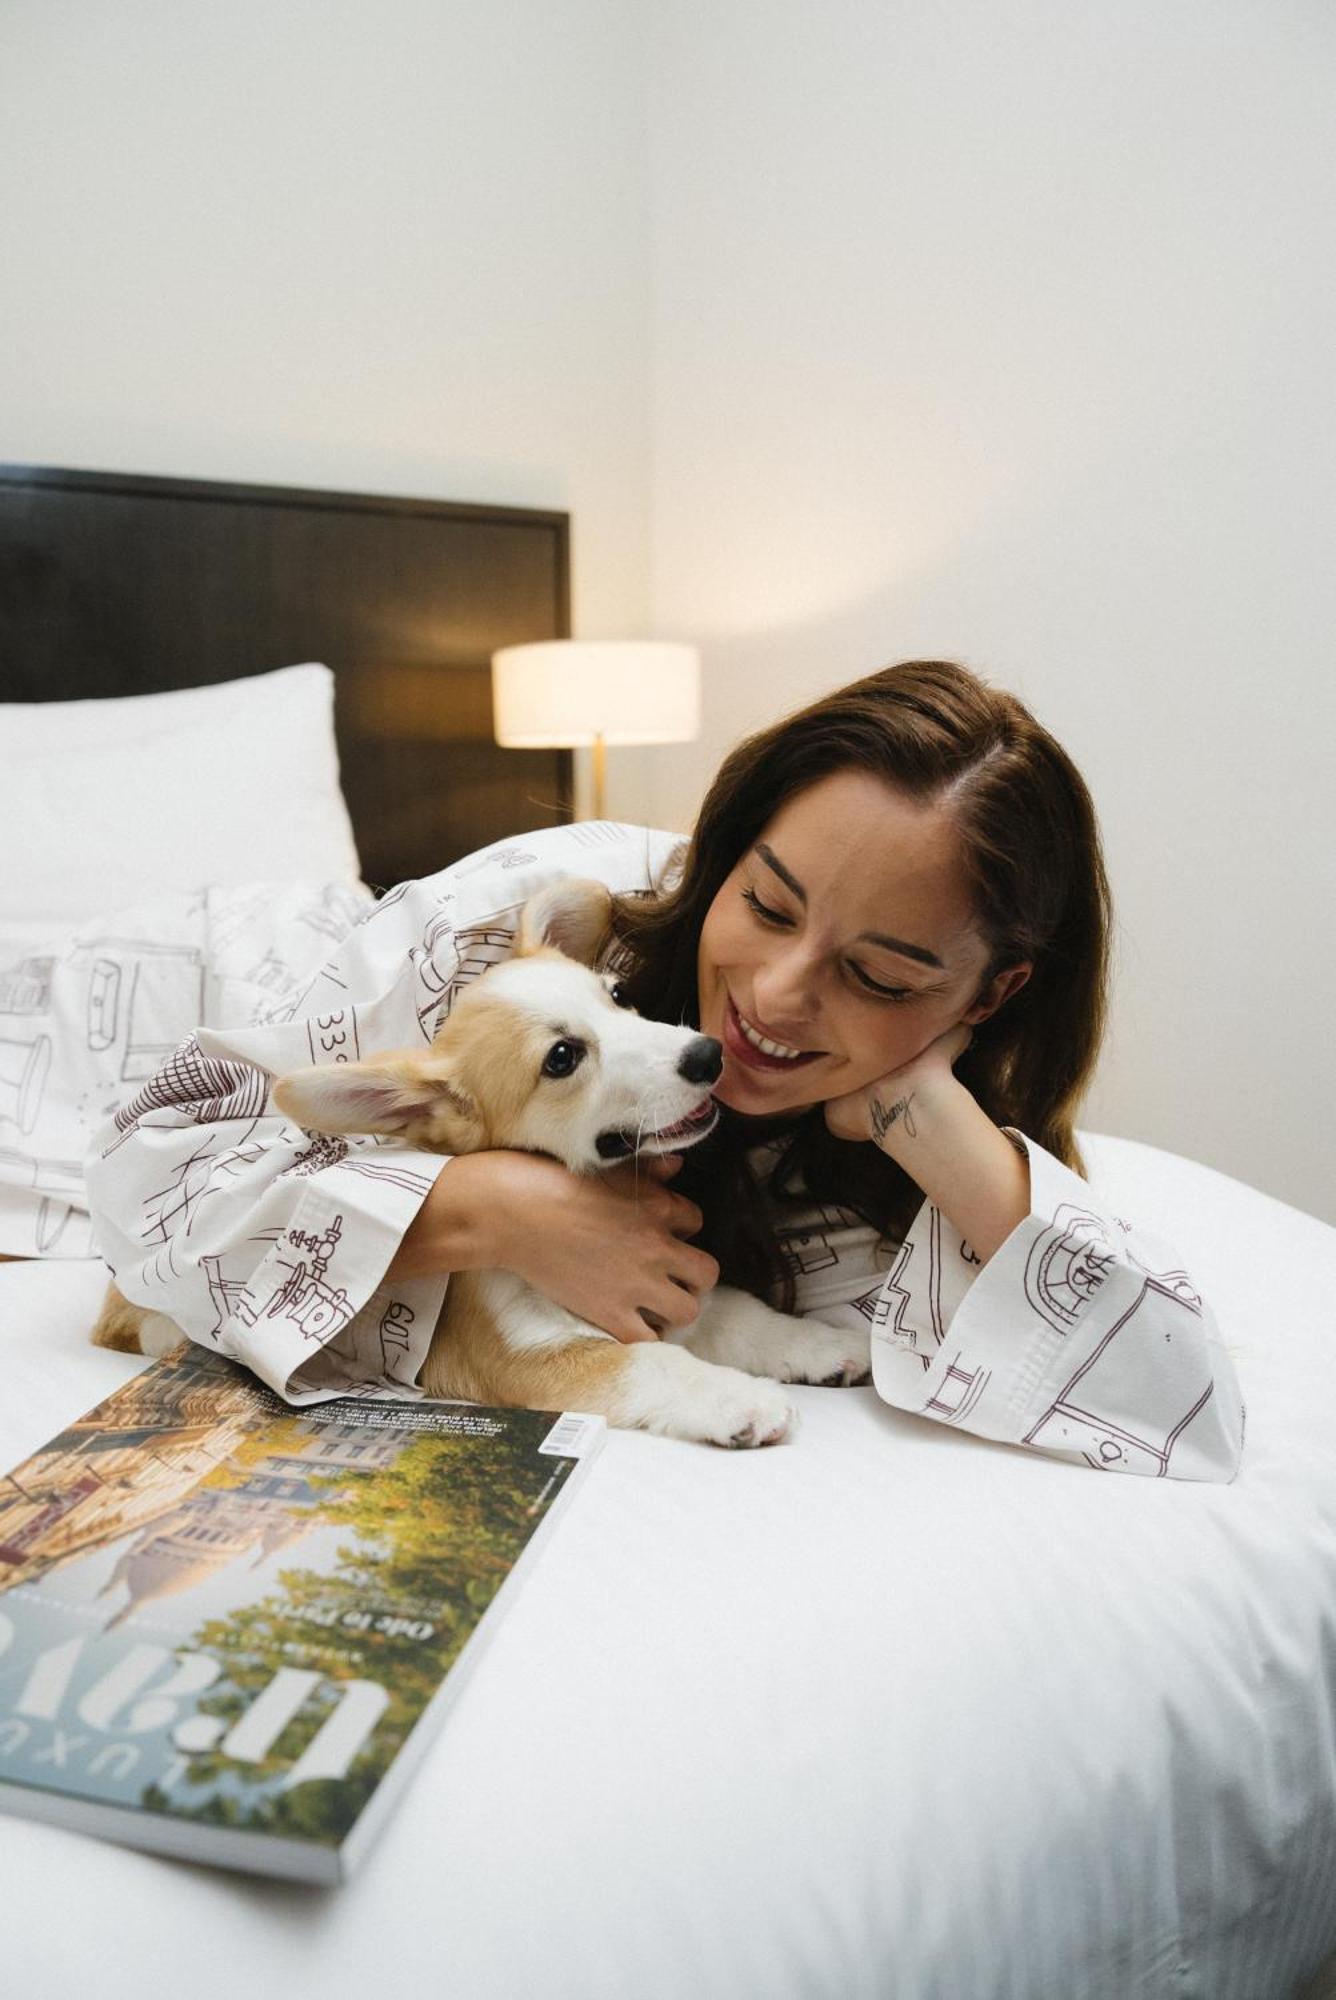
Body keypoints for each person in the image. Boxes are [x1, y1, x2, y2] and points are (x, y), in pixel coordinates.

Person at [86, 661, 1244, 1480]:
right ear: (724, 846)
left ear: (989, 995)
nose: (777, 997)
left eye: (881, 973)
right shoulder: (521, 931)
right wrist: (479, 1202)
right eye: (765, 902)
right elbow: (144, 1180)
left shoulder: (894, 1157)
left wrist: (921, 1105)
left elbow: (1180, 1405)